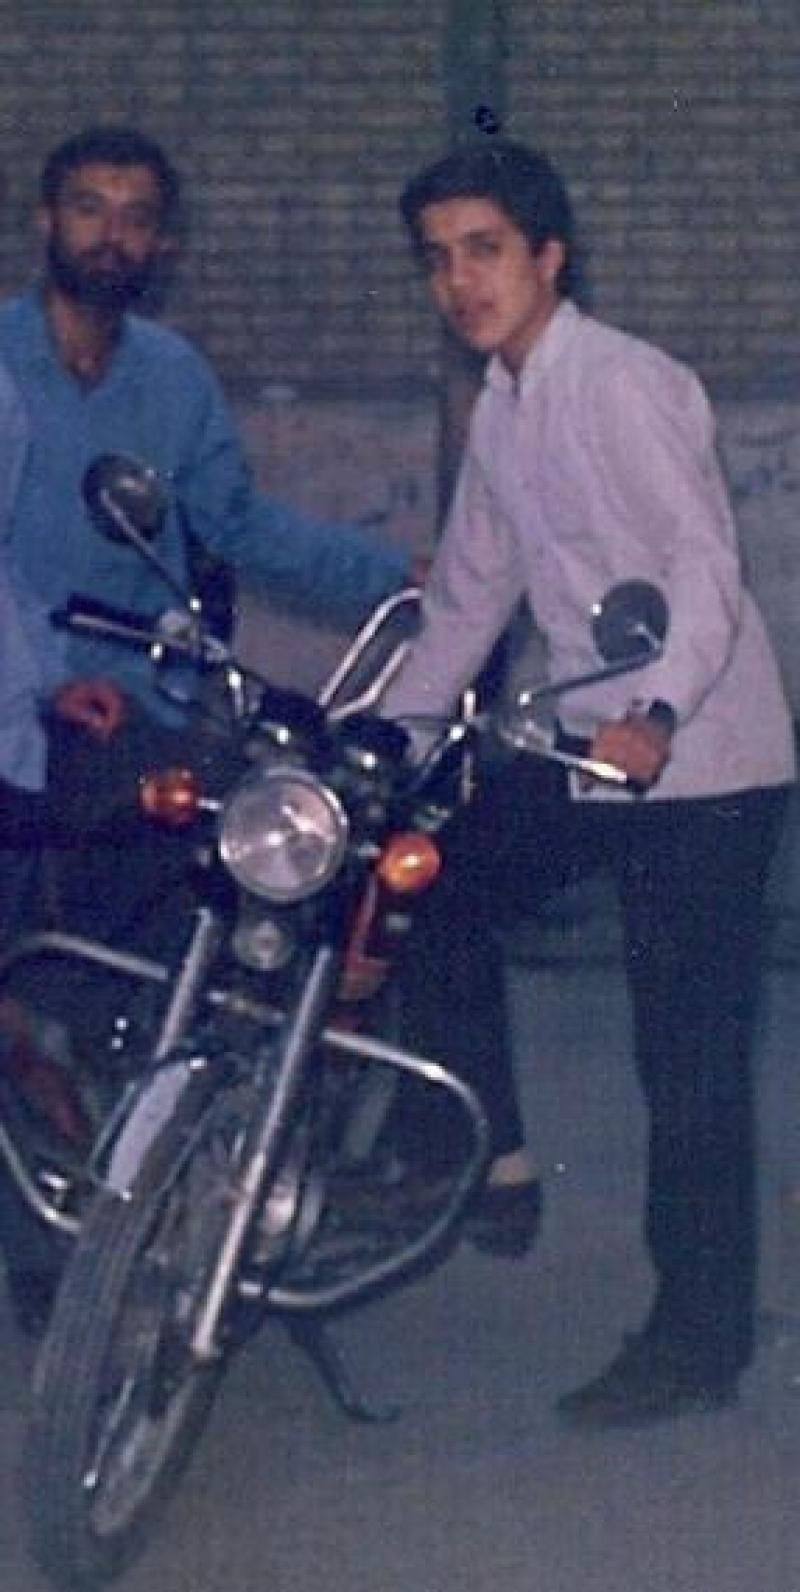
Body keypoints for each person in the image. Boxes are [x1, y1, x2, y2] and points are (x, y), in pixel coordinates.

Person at [379, 138, 795, 1427]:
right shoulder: (499, 409)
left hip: (701, 766)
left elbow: (702, 567)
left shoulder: (622, 383)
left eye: (484, 250)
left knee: (686, 1063)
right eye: (437, 259)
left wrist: (656, 711)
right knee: (424, 879)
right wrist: (385, 744)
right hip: (580, 751)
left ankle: (696, 1341)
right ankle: (489, 1161)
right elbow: (466, 602)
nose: (459, 281)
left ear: (548, 256)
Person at [0, 124, 413, 943]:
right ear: (46, 221)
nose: (111, 235)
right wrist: (39, 683)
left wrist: (397, 574)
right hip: (14, 702)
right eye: (89, 208)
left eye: (136, 217)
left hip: (138, 698)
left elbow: (237, 521)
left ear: (163, 241)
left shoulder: (174, 375)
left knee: (254, 858)